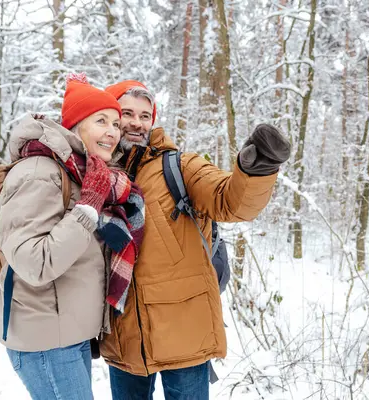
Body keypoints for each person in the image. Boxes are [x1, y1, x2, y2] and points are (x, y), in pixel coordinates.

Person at [100, 80, 291, 399]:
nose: (137, 122)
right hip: (123, 335)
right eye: (127, 112)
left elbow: (230, 201)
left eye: (145, 115)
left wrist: (255, 168)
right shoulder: (96, 175)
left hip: (184, 332)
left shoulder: (179, 166)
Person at [0, 73, 145, 400]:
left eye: (116, 123)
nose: (113, 132)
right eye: (101, 121)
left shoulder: (79, 173)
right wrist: (87, 209)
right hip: (46, 341)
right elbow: (34, 263)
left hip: (68, 334)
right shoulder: (38, 172)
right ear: (75, 126)